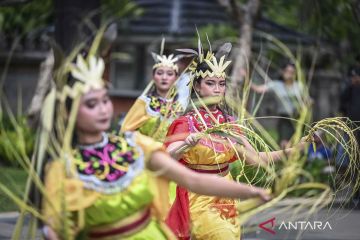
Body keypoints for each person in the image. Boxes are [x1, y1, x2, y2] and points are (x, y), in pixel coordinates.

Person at [41, 51, 271, 240]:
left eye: (105, 100)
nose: (103, 109)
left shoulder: (135, 146)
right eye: (91, 104)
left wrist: (251, 191)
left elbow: (194, 180)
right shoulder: (63, 170)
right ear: (67, 113)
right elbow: (55, 230)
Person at [165, 46, 307, 240]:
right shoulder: (186, 123)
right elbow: (168, 158)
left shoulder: (230, 124)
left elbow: (254, 160)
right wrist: (186, 145)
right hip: (198, 195)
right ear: (197, 87)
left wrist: (293, 150)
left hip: (226, 195)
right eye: (210, 83)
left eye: (221, 83)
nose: (217, 89)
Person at [120, 41, 189, 142]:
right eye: (160, 73)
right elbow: (126, 130)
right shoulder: (144, 102)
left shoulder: (180, 106)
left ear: (176, 78)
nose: (164, 77)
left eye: (170, 74)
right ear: (153, 77)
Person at [250, 63, 305, 148]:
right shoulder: (276, 85)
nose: (289, 74)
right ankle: (283, 159)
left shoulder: (299, 86)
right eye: (287, 71)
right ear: (283, 72)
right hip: (285, 118)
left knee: (297, 141)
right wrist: (246, 78)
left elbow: (306, 100)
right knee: (284, 142)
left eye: (291, 72)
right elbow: (258, 89)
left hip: (298, 118)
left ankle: (292, 159)